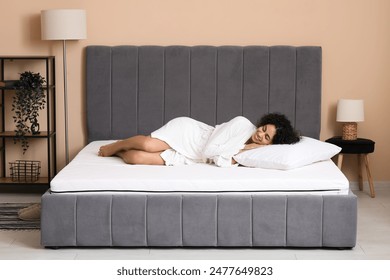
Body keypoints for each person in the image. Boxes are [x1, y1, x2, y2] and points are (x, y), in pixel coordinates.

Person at [98, 113, 300, 167]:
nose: (260, 135)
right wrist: (240, 150)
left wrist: (246, 150)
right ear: (262, 123)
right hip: (191, 135)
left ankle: (119, 152)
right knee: (147, 145)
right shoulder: (241, 123)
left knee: (137, 159)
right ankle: (116, 145)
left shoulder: (254, 151)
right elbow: (209, 151)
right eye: (263, 129)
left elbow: (221, 161)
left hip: (193, 158)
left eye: (266, 137)